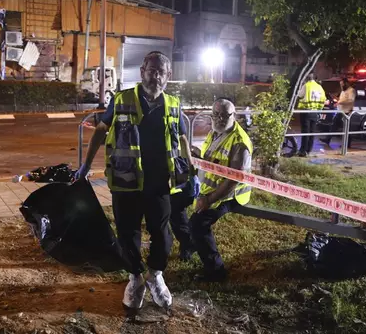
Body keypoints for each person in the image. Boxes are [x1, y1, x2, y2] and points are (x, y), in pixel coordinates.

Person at [74, 51, 197, 311]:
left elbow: (183, 139)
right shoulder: (122, 99)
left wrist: (191, 171)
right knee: (128, 234)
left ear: (169, 76)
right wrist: (86, 164)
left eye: (161, 71)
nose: (156, 75)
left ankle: (156, 275)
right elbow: (100, 129)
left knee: (162, 235)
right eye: (151, 70)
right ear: (142, 71)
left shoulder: (174, 104)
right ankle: (135, 277)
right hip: (125, 181)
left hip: (161, 182)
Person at [189, 99, 253, 282]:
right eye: (216, 114)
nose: (220, 118)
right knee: (176, 201)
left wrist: (209, 200)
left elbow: (234, 179)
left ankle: (216, 271)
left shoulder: (239, 142)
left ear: (234, 116)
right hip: (211, 188)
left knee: (198, 223)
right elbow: (213, 161)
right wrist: (197, 157)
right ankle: (191, 245)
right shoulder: (215, 132)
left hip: (230, 195)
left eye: (225, 115)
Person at [320, 79, 356, 148]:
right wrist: (336, 99)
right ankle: (328, 139)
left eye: (342, 84)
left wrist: (339, 102)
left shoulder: (351, 90)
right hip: (340, 111)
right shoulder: (343, 91)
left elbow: (350, 100)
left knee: (347, 128)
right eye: (340, 84)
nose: (341, 86)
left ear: (346, 83)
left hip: (347, 112)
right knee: (333, 126)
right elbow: (341, 99)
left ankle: (347, 144)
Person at [296, 73, 326, 157]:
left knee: (305, 132)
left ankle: (303, 151)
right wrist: (319, 110)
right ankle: (309, 150)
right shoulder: (319, 87)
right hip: (315, 112)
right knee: (312, 132)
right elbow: (323, 99)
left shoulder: (306, 85)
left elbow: (299, 95)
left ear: (307, 78)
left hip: (306, 112)